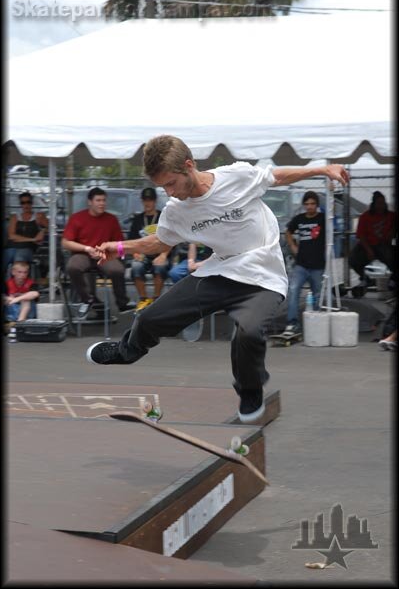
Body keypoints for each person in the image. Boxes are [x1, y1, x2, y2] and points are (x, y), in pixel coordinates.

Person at [86, 135, 349, 423]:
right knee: (150, 317)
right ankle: (127, 351)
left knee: (247, 333)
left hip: (263, 275)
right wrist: (121, 247)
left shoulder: (236, 176)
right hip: (220, 270)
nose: (170, 193)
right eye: (163, 187)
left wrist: (323, 169)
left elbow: (277, 176)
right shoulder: (176, 210)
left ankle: (250, 391)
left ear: (189, 166)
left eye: (172, 183)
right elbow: (161, 242)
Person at [62, 187, 135, 317]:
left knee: (117, 270)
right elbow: (66, 243)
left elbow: (120, 244)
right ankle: (88, 299)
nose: (102, 203)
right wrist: (87, 249)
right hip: (83, 253)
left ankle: (122, 302)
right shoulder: (77, 218)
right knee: (72, 267)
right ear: (90, 202)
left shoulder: (111, 219)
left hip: (105, 255)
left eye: (104, 200)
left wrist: (113, 252)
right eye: (98, 200)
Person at [283, 191, 326, 334]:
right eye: (307, 204)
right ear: (303, 205)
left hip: (318, 265)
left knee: (318, 294)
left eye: (312, 204)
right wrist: (293, 246)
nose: (309, 207)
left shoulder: (323, 218)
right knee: (294, 290)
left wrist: (331, 189)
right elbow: (288, 231)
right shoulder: (299, 219)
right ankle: (292, 322)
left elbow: (333, 220)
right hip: (301, 264)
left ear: (317, 205)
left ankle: (315, 322)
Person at [128, 187, 171, 311]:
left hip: (160, 253)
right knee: (136, 266)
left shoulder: (162, 217)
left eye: (150, 200)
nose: (148, 203)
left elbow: (171, 239)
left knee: (160, 266)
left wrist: (163, 255)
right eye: (145, 200)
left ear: (155, 201)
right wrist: (135, 253)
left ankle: (156, 300)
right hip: (143, 254)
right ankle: (144, 300)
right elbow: (131, 240)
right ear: (142, 201)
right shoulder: (138, 219)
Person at [349, 191, 396, 293]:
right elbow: (361, 236)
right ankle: (366, 279)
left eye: (383, 203)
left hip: (384, 244)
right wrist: (369, 250)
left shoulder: (391, 216)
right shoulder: (365, 217)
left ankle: (392, 281)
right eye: (379, 203)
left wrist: (392, 233)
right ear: (373, 204)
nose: (382, 206)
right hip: (368, 244)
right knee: (353, 259)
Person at [4, 192, 48, 277]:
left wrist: (42, 231)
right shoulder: (15, 217)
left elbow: (51, 226)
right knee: (7, 258)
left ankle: (17, 287)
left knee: (19, 259)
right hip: (13, 246)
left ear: (32, 203)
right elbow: (11, 236)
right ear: (20, 204)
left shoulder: (39, 216)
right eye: (23, 203)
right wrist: (33, 239)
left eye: (28, 202)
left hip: (27, 247)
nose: (26, 205)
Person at [3, 261, 40, 341]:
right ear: (13, 272)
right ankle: (14, 325)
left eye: (25, 272)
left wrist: (18, 298)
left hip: (28, 313)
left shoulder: (30, 283)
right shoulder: (7, 284)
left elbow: (35, 293)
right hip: (11, 312)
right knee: (6, 298)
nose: (22, 275)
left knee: (25, 299)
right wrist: (8, 299)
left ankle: (19, 325)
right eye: (19, 272)